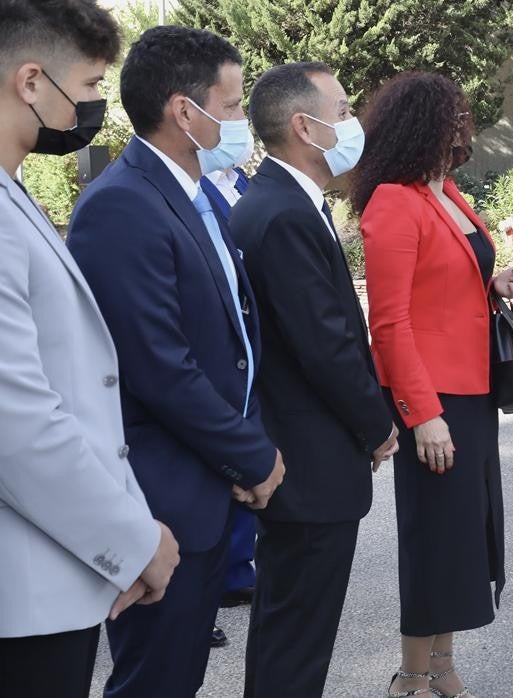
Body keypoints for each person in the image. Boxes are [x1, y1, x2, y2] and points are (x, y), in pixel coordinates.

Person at [66, 26, 285, 697]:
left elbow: (232, 339)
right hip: (163, 496)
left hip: (208, 485)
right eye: (232, 105)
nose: (241, 120)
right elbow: (160, 365)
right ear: (183, 111)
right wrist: (250, 456)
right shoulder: (124, 204)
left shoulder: (192, 192)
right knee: (154, 680)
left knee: (181, 671)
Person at [0, 2, 181, 695]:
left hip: (51, 573)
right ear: (31, 82)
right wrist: (134, 540)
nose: (99, 103)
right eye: (92, 85)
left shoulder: (13, 193)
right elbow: (18, 422)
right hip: (23, 596)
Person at [354, 71, 513, 698]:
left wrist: (495, 282)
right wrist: (421, 414)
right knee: (432, 537)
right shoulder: (393, 202)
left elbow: (449, 279)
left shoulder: (445, 191)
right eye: (456, 114)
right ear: (424, 124)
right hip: (432, 397)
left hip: (473, 388)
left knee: (463, 533)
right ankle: (412, 673)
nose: (466, 125)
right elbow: (391, 321)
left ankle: (443, 663)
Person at [231, 61, 401, 697]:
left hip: (300, 453)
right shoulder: (283, 213)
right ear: (306, 126)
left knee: (288, 627)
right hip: (309, 458)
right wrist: (377, 425)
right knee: (298, 634)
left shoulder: (279, 201)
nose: (354, 121)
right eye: (345, 108)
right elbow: (323, 344)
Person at [196, 83, 258, 653]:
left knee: (242, 468)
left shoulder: (240, 182)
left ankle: (237, 574)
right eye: (235, 108)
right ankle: (203, 590)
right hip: (213, 357)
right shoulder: (179, 191)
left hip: (250, 351)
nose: (242, 122)